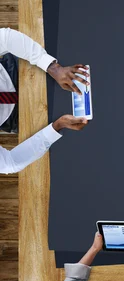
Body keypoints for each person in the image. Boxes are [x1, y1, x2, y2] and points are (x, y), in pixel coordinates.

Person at [0, 28, 88, 174]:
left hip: (21, 69)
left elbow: (4, 37)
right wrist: (56, 127)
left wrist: (52, 66)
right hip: (22, 118)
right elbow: (10, 163)